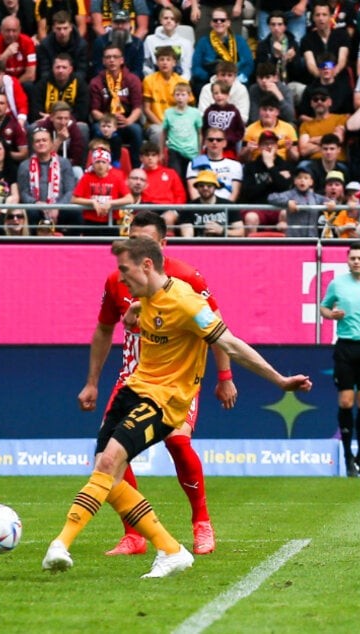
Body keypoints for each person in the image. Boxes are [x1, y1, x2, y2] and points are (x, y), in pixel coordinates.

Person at [46, 236, 312, 578]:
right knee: (104, 473)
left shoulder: (187, 303)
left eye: (124, 269)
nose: (120, 278)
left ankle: (60, 545)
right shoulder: (146, 296)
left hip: (165, 400)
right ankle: (171, 550)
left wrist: (280, 381)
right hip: (135, 388)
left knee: (111, 461)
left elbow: (230, 342)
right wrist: (132, 311)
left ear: (146, 265)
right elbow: (127, 316)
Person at [78, 210, 236, 556]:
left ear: (163, 245)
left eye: (145, 241)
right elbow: (104, 329)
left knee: (177, 443)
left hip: (176, 380)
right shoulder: (116, 280)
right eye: (132, 239)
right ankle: (134, 535)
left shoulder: (187, 279)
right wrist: (92, 382)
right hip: (133, 377)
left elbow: (218, 328)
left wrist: (225, 376)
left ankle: (201, 522)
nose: (136, 247)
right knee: (110, 454)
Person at [320, 241, 360, 477]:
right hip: (344, 347)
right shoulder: (337, 283)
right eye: (352, 258)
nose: (356, 262)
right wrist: (331, 314)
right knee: (345, 402)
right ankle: (347, 456)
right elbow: (323, 307)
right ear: (347, 260)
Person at [89, 44, 144, 161]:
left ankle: (137, 166)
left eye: (115, 57)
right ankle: (96, 163)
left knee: (136, 130)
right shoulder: (96, 82)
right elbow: (94, 111)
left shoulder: (132, 79)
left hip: (126, 121)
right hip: (105, 120)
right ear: (103, 61)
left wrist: (129, 121)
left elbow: (138, 108)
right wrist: (108, 122)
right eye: (108, 57)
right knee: (95, 129)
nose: (112, 60)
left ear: (122, 60)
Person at [17, 126, 77, 226]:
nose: (41, 143)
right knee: (30, 213)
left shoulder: (64, 163)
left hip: (60, 207)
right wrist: (36, 204)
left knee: (76, 213)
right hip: (35, 208)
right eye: (37, 141)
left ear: (50, 143)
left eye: (44, 140)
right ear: (33, 145)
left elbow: (70, 191)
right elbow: (24, 193)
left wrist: (57, 207)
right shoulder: (24, 165)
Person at [191, 7, 254, 95]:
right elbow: (196, 67)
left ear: (228, 23)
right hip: (211, 80)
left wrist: (238, 78)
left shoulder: (239, 41)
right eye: (215, 20)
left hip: (235, 79)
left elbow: (249, 64)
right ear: (211, 23)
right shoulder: (203, 42)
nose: (219, 22)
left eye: (222, 20)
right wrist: (210, 77)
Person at [72, 144, 133, 233]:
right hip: (90, 221)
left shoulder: (116, 178)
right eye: (97, 162)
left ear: (108, 164)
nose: (100, 165)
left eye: (103, 162)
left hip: (111, 221)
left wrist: (111, 203)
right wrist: (92, 202)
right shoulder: (86, 177)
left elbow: (129, 199)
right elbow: (74, 199)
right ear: (93, 163)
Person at [240, 131, 293, 228]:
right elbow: (247, 193)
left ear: (277, 146)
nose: (269, 147)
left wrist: (270, 166)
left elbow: (285, 188)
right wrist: (269, 180)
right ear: (259, 147)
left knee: (286, 216)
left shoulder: (285, 165)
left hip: (280, 207)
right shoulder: (250, 167)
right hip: (257, 207)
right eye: (265, 144)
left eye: (272, 143)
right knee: (251, 218)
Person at [143, 47, 188, 148]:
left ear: (174, 63)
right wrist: (163, 126)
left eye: (168, 60)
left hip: (177, 124)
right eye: (161, 59)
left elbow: (186, 109)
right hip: (155, 124)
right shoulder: (149, 80)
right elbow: (146, 109)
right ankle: (159, 160)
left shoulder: (182, 82)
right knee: (159, 132)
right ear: (157, 62)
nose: (164, 63)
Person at [30, 53, 90, 129]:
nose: (60, 70)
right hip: (47, 122)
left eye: (64, 67)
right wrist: (52, 119)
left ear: (70, 69)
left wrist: (62, 119)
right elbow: (36, 110)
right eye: (57, 67)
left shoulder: (80, 84)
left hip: (70, 122)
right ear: (52, 68)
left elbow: (82, 113)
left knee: (83, 128)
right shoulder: (42, 84)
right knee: (32, 127)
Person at [180, 170, 245, 236]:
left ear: (215, 187)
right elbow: (187, 237)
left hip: (224, 245)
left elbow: (241, 233)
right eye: (201, 185)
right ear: (197, 188)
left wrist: (222, 230)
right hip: (199, 245)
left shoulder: (229, 205)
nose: (205, 188)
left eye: (209, 185)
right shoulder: (188, 208)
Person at [138, 141, 186, 229]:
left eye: (153, 155)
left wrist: (175, 210)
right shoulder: (138, 176)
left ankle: (168, 242)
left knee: (168, 218)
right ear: (141, 158)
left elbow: (180, 195)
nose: (150, 158)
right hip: (146, 208)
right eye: (147, 155)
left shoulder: (170, 173)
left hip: (168, 208)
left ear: (159, 157)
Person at [187, 127, 243, 202]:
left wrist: (225, 208)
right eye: (211, 139)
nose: (214, 142)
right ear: (205, 142)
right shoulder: (194, 164)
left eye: (219, 140)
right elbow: (193, 192)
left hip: (226, 207)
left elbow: (235, 192)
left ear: (225, 143)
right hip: (202, 206)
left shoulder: (235, 165)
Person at [268, 165, 327, 236]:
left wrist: (331, 202)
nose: (302, 180)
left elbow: (331, 200)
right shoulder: (290, 194)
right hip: (294, 239)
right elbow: (271, 197)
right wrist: (287, 202)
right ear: (295, 181)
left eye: (306, 178)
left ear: (311, 182)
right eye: (299, 178)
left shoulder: (315, 197)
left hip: (312, 238)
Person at [301, 2, 351, 85]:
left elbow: (342, 61)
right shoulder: (307, 39)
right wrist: (323, 78)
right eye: (317, 15)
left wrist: (331, 76)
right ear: (313, 18)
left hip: (339, 79)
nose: (321, 18)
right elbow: (311, 65)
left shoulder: (342, 35)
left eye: (324, 15)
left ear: (331, 17)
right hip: (317, 82)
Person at [35, 11, 90, 84]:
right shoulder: (45, 45)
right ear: (53, 29)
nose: (62, 32)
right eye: (59, 28)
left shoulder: (81, 45)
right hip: (51, 83)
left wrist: (68, 84)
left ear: (71, 28)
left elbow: (82, 72)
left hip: (75, 83)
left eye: (65, 28)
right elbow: (44, 72)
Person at [239, 96, 298, 164]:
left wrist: (289, 150)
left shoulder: (289, 128)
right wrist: (248, 150)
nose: (267, 113)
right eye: (264, 109)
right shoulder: (250, 129)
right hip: (257, 165)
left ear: (277, 112)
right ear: (259, 111)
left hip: (281, 164)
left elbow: (296, 158)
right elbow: (242, 159)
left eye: (271, 110)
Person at [162, 82, 203, 179]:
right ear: (173, 96)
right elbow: (164, 132)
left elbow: (200, 133)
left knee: (189, 178)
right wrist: (161, 151)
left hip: (191, 151)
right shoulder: (168, 112)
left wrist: (199, 151)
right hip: (174, 149)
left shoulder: (195, 113)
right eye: (177, 94)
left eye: (183, 95)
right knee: (176, 176)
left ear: (189, 96)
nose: (180, 97)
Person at [298, 87, 349, 162]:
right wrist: (330, 142)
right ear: (311, 104)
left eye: (323, 99)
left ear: (330, 102)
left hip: (337, 161)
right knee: (302, 170)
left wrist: (313, 140)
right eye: (315, 99)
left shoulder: (340, 118)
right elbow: (304, 150)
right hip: (314, 163)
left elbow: (338, 139)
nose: (319, 102)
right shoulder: (305, 125)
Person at [91, 10, 145, 80]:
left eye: (123, 23)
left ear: (129, 25)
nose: (120, 26)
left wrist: (123, 82)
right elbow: (98, 68)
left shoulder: (137, 44)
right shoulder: (100, 42)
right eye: (117, 23)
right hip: (105, 80)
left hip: (130, 81)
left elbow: (137, 70)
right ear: (111, 24)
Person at [142, 6, 192, 81]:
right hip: (155, 81)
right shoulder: (150, 40)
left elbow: (187, 68)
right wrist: (154, 80)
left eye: (172, 19)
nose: (168, 21)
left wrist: (180, 83)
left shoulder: (186, 43)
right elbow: (145, 65)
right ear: (161, 20)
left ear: (177, 23)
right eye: (166, 18)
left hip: (179, 84)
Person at [0, 15, 38, 86]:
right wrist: (5, 56)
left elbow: (31, 75)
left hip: (21, 82)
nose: (11, 34)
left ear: (20, 30)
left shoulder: (28, 42)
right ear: (1, 30)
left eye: (14, 31)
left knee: (29, 85)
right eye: (7, 31)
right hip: (1, 84)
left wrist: (13, 86)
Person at [254, 11, 301, 87]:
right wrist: (275, 57)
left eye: (280, 24)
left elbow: (298, 73)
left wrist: (290, 61)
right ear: (269, 26)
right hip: (269, 83)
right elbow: (261, 71)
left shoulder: (293, 44)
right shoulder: (262, 46)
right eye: (273, 24)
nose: (276, 28)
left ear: (285, 27)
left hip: (289, 83)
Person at [202, 80, 245, 158]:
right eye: (216, 93)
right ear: (212, 95)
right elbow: (204, 129)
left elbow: (240, 130)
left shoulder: (234, 111)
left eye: (223, 93)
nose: (219, 96)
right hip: (211, 149)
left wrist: (230, 139)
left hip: (229, 149)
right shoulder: (208, 111)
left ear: (228, 95)